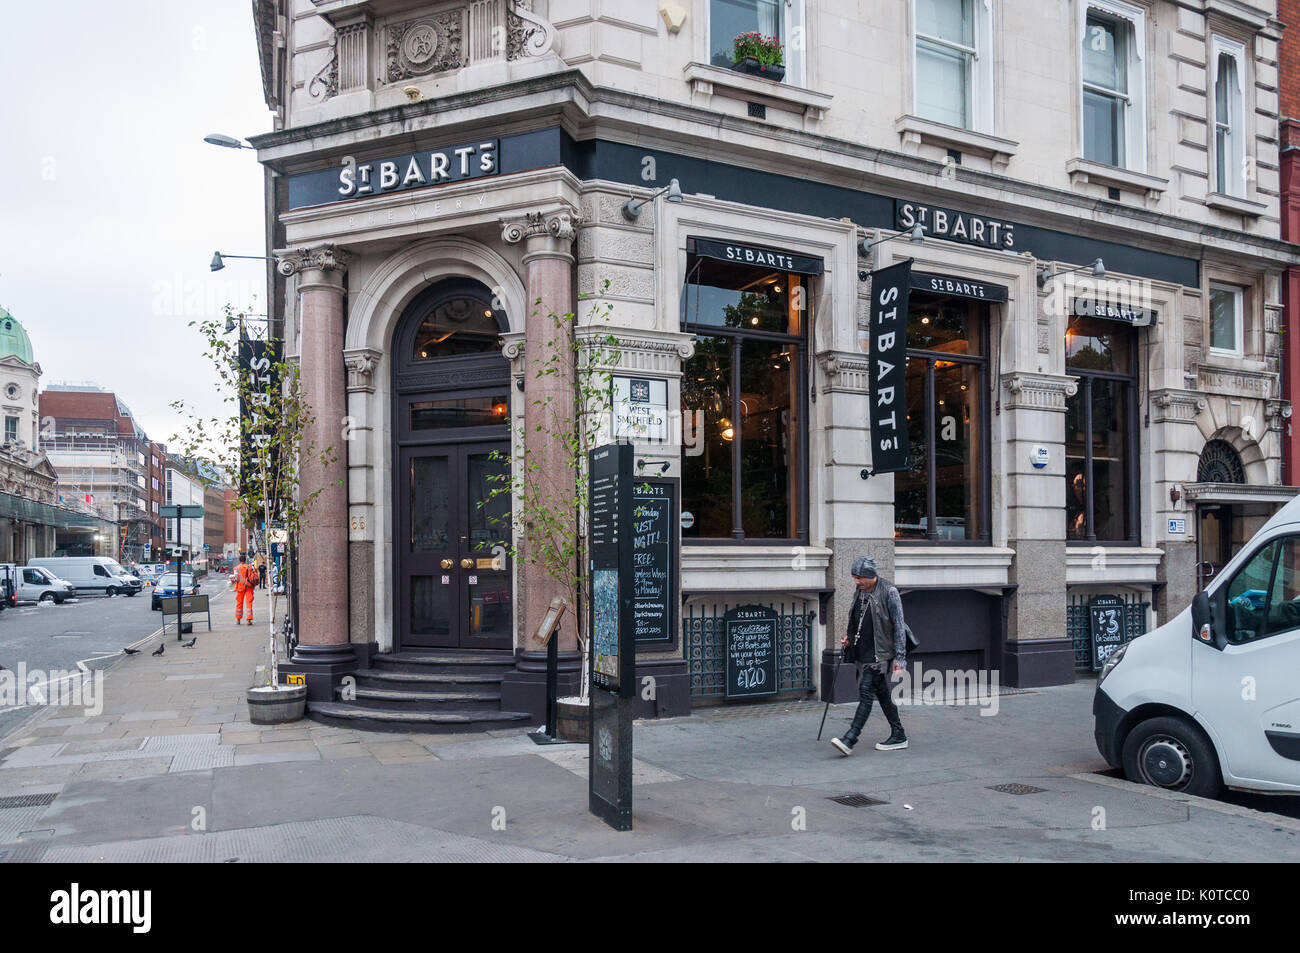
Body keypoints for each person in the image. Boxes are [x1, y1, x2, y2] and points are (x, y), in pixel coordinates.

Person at [831, 556, 908, 755]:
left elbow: (899, 626)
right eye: (854, 578)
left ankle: (850, 738)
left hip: (880, 654)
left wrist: (900, 658)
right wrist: (849, 636)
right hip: (863, 650)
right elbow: (858, 617)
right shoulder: (860, 591)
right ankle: (899, 734)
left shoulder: (889, 592)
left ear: (870, 575)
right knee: (881, 691)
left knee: (866, 691)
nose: (856, 582)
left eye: (859, 578)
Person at [234, 551, 258, 625]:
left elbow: (236, 579)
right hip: (249, 586)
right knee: (249, 602)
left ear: (239, 560)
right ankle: (249, 619)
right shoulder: (250, 567)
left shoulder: (236, 568)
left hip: (240, 587)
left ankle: (238, 619)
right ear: (245, 560)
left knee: (239, 603)